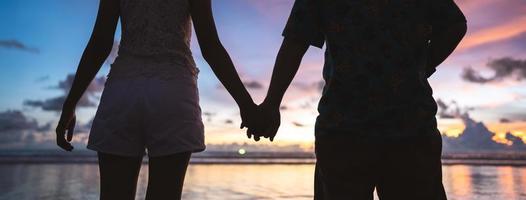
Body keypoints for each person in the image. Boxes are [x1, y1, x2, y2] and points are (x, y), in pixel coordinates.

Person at [248, 0, 467, 199]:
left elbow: (296, 42)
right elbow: (455, 25)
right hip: (405, 125)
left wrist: (271, 104)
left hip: (347, 126)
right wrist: (422, 66)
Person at [55, 0, 258, 199]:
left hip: (123, 88)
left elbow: (100, 42)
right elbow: (210, 45)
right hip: (173, 89)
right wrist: (246, 105)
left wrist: (70, 104)